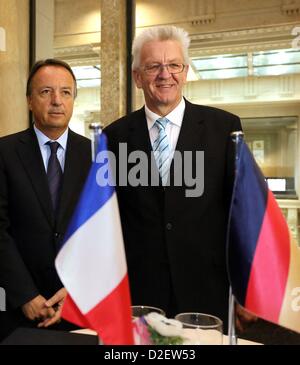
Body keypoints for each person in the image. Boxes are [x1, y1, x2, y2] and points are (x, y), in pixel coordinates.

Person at [105, 25, 248, 331]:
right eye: (153, 66)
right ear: (137, 76)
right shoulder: (113, 137)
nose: (164, 74)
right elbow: (107, 220)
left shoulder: (225, 129)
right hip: (139, 295)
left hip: (206, 292)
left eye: (174, 65)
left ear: (186, 71)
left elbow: (243, 212)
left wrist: (247, 285)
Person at [0, 59, 91, 341]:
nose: (56, 101)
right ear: (29, 100)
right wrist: (25, 294)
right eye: (45, 92)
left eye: (65, 92)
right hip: (18, 310)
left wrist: (76, 290)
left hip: (79, 306)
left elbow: (101, 232)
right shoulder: (4, 152)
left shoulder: (97, 155)